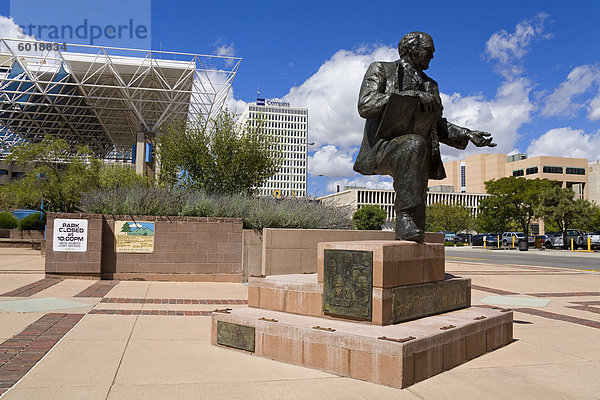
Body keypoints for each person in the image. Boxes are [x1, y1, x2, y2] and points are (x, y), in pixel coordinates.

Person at [353, 31, 496, 242]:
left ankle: (410, 234)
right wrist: (406, 96)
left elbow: (436, 124)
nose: (432, 56)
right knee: (413, 143)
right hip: (383, 147)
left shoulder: (431, 85)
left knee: (418, 155)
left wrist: (467, 134)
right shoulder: (382, 69)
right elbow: (365, 105)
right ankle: (403, 217)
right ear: (412, 50)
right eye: (429, 51)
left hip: (416, 153)